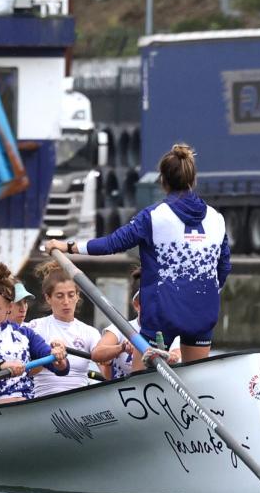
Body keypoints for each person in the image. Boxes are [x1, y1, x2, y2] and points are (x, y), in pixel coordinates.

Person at [45, 143, 228, 363]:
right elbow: (224, 267)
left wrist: (69, 247)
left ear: (163, 181)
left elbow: (113, 243)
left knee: (140, 380)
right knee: (196, 377)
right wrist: (204, 293)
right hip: (203, 314)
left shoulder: (153, 217)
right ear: (193, 179)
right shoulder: (216, 218)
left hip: (162, 315)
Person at [0, 264, 69, 405]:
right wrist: (2, 366)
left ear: (9, 308)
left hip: (24, 401)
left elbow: (61, 369)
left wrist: (59, 358)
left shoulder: (25, 333)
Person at [26, 262, 105, 397]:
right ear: (48, 298)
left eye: (71, 294)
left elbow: (107, 373)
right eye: (60, 296)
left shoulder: (90, 332)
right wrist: (49, 356)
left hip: (80, 400)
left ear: (77, 296)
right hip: (44, 398)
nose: (66, 301)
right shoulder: (34, 327)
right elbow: (25, 371)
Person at [91, 266, 182, 379]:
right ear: (136, 305)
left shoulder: (172, 331)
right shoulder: (121, 329)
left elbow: (177, 353)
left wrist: (172, 357)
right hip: (124, 391)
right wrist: (121, 348)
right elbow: (96, 354)